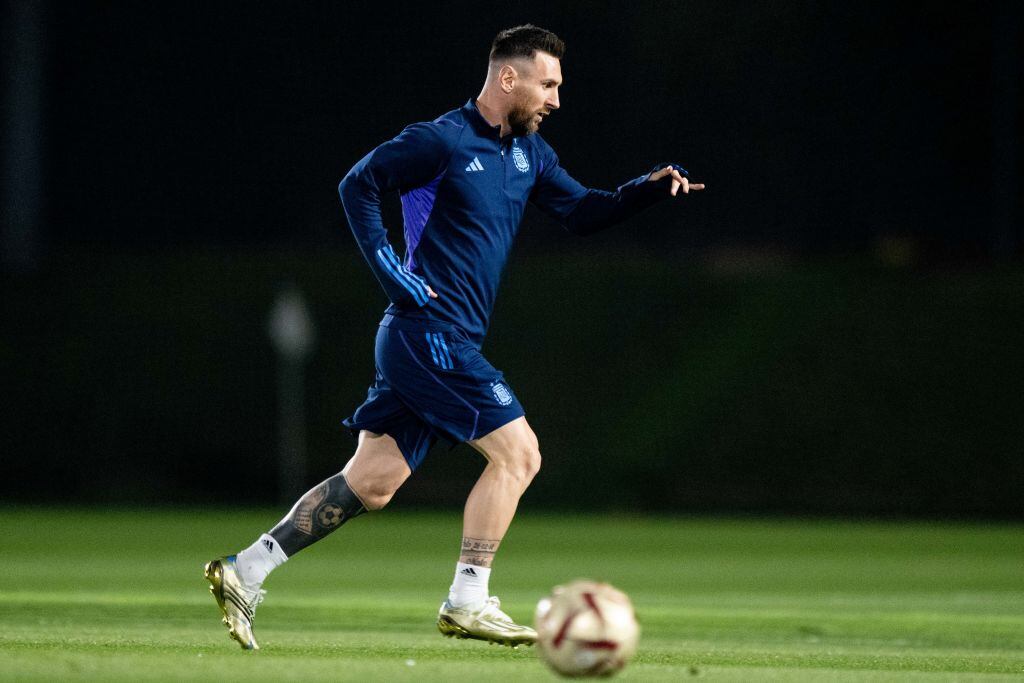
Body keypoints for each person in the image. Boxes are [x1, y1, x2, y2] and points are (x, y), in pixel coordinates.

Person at [204, 23, 704, 651]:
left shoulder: (530, 155)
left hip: (434, 339)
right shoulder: (440, 140)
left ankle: (246, 570)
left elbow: (584, 212)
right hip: (427, 332)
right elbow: (357, 184)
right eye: (548, 84)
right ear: (508, 77)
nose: (555, 99)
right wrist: (389, 269)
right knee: (519, 454)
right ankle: (468, 598)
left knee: (374, 483)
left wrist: (646, 192)